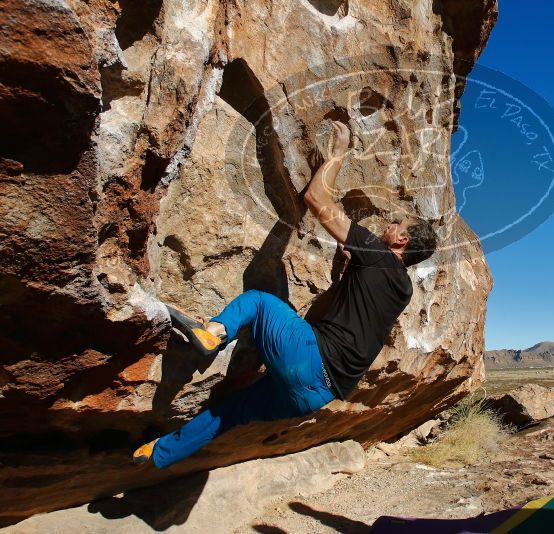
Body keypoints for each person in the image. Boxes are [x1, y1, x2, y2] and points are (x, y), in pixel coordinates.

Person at [132, 121, 438, 468]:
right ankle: (159, 453)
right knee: (230, 411)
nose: (390, 225)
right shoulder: (404, 289)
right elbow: (357, 292)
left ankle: (212, 334)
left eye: (396, 225)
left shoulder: (375, 251)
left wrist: (338, 154)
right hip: (318, 396)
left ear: (402, 241)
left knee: (259, 302)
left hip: (310, 360)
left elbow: (316, 199)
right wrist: (349, 265)